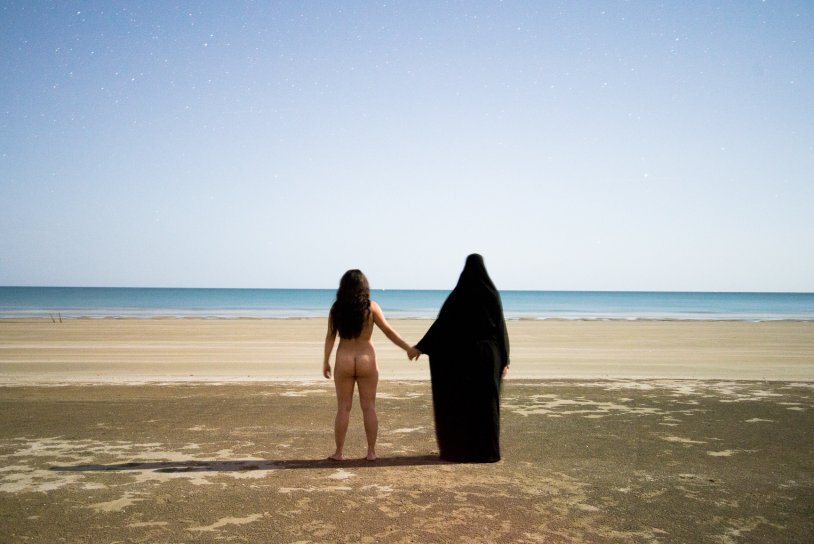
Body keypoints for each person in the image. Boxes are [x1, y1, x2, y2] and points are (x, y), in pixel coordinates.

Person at [413, 254, 510, 462]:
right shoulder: (492, 295)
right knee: (486, 404)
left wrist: (421, 347)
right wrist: (506, 358)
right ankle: (487, 452)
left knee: (460, 400)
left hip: (462, 357)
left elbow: (442, 325)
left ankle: (458, 450)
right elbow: (501, 328)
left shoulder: (458, 295)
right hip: (488, 357)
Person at [323, 269, 419, 461]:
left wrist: (325, 361)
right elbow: (389, 331)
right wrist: (408, 348)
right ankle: (371, 452)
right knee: (369, 407)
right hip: (367, 359)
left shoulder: (336, 309)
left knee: (343, 407)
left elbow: (330, 337)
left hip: (344, 359)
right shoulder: (371, 307)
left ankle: (339, 452)